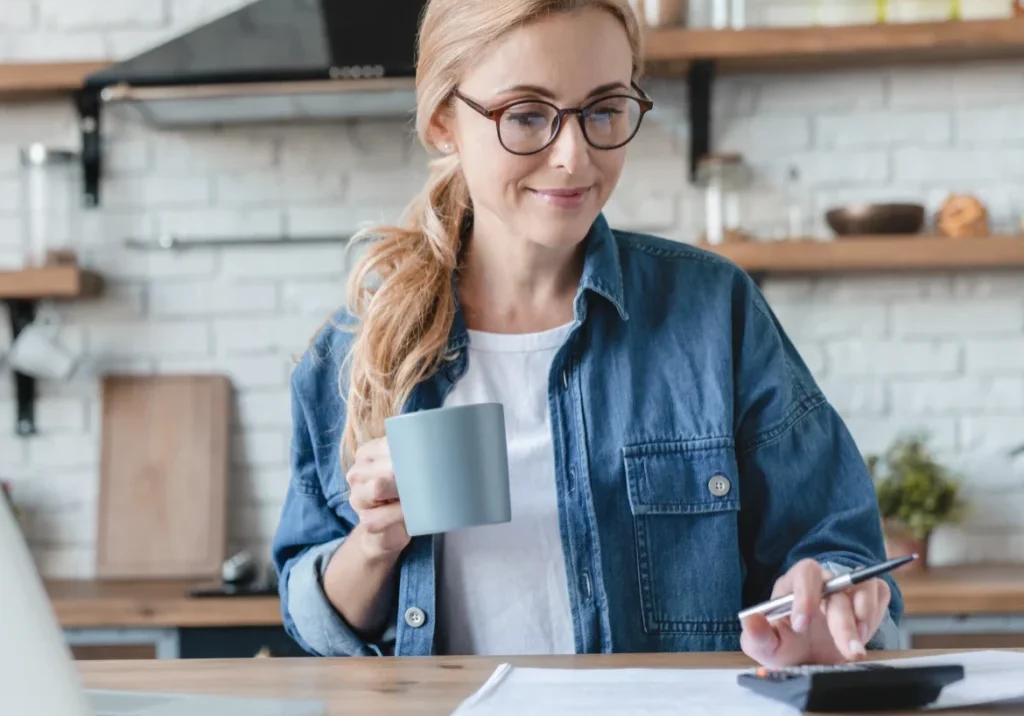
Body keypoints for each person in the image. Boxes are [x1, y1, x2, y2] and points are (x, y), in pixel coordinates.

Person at [271, 0, 903, 665]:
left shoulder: (714, 312)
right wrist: (375, 542)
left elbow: (839, 546)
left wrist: (829, 604)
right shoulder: (355, 349)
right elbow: (313, 622)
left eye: (603, 110)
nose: (573, 158)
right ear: (442, 122)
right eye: (525, 115)